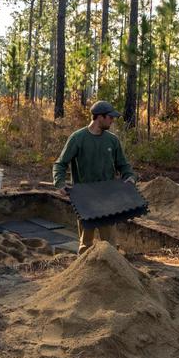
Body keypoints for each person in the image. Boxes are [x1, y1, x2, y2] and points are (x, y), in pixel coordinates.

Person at [53, 100, 137, 254]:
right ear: (100, 117)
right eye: (110, 118)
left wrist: (130, 176)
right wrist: (59, 183)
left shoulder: (112, 140)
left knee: (109, 244)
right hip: (85, 199)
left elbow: (123, 165)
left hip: (107, 198)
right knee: (86, 245)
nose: (112, 120)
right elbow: (60, 164)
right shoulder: (78, 138)